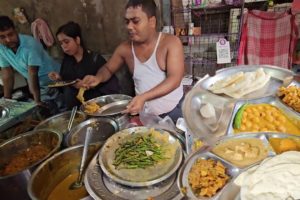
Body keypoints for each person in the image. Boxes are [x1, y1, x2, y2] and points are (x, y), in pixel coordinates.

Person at [81, 0, 184, 122]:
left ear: (152, 22)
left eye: (135, 21)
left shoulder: (171, 43)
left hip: (174, 111)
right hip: (144, 114)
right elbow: (108, 69)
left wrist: (143, 97)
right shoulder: (124, 49)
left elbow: (174, 79)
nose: (129, 26)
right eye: (127, 21)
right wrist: (98, 78)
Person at [48, 21, 120, 109]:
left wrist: (89, 85)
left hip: (94, 109)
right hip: (74, 110)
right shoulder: (67, 61)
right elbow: (66, 85)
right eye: (61, 43)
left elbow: (111, 88)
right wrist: (59, 79)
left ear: (77, 40)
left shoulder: (95, 60)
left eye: (66, 42)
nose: (64, 46)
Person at [0, 16, 63, 113]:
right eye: (2, 37)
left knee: (63, 111)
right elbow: (7, 73)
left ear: (16, 30)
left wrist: (37, 100)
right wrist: (7, 100)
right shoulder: (1, 48)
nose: (8, 40)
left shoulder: (30, 44)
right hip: (40, 87)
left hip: (57, 81)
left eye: (10, 34)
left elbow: (32, 73)